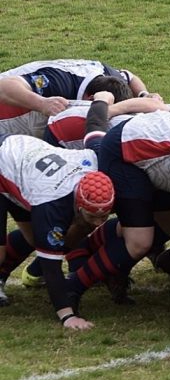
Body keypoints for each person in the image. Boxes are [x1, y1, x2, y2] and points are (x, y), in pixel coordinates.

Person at [0, 93, 115, 330]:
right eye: (93, 216)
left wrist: (104, 100)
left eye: (104, 216)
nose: (99, 222)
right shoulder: (52, 205)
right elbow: (52, 267)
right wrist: (67, 316)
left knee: (35, 238)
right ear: (79, 205)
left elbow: (96, 128)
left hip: (23, 165)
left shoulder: (96, 160)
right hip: (10, 167)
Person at [0, 59, 160, 137]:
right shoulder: (58, 82)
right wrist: (43, 103)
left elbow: (130, 76)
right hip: (9, 102)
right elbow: (4, 87)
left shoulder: (113, 78)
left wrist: (144, 95)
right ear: (91, 99)